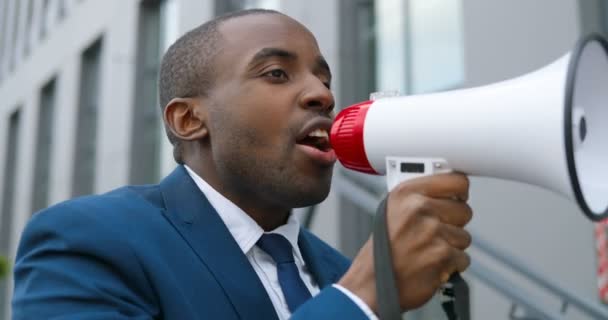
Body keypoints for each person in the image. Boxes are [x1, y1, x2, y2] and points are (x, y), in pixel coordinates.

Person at [11, 9, 472, 320]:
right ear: (189, 119)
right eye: (276, 73)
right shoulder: (87, 241)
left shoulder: (337, 267)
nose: (324, 95)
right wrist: (359, 299)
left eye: (324, 78)